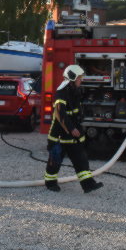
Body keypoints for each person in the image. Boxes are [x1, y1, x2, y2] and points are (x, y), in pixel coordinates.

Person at [44, 65, 104, 193]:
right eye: (79, 78)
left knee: (81, 160)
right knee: (55, 162)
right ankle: (50, 183)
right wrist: (71, 129)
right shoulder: (61, 93)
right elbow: (61, 115)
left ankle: (88, 184)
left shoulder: (75, 91)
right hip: (59, 137)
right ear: (72, 78)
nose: (81, 80)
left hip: (73, 137)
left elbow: (76, 113)